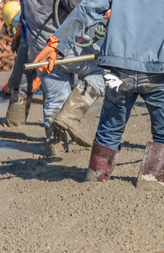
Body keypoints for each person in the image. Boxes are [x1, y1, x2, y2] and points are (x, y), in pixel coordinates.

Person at [33, 0, 164, 188]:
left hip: (119, 67)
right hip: (161, 70)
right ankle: (150, 185)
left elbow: (88, 9)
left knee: (110, 127)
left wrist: (56, 44)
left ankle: (95, 180)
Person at [21, 0, 106, 155]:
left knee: (55, 98)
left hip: (40, 50)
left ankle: (56, 148)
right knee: (106, 72)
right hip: (64, 46)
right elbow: (79, 6)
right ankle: (71, 115)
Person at [1, 0, 40, 127]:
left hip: (39, 36)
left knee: (52, 83)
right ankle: (15, 122)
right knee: (55, 83)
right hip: (34, 35)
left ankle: (14, 122)